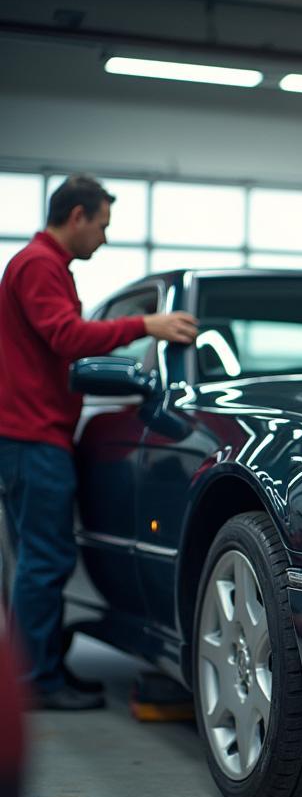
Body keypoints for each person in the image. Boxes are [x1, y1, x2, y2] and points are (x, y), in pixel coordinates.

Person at [0, 174, 198, 711]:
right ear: (78, 216)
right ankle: (34, 683)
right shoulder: (39, 266)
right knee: (44, 561)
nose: (105, 239)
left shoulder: (42, 265)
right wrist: (146, 324)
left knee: (39, 561)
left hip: (32, 435)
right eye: (103, 226)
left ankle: (37, 673)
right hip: (32, 437)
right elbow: (65, 337)